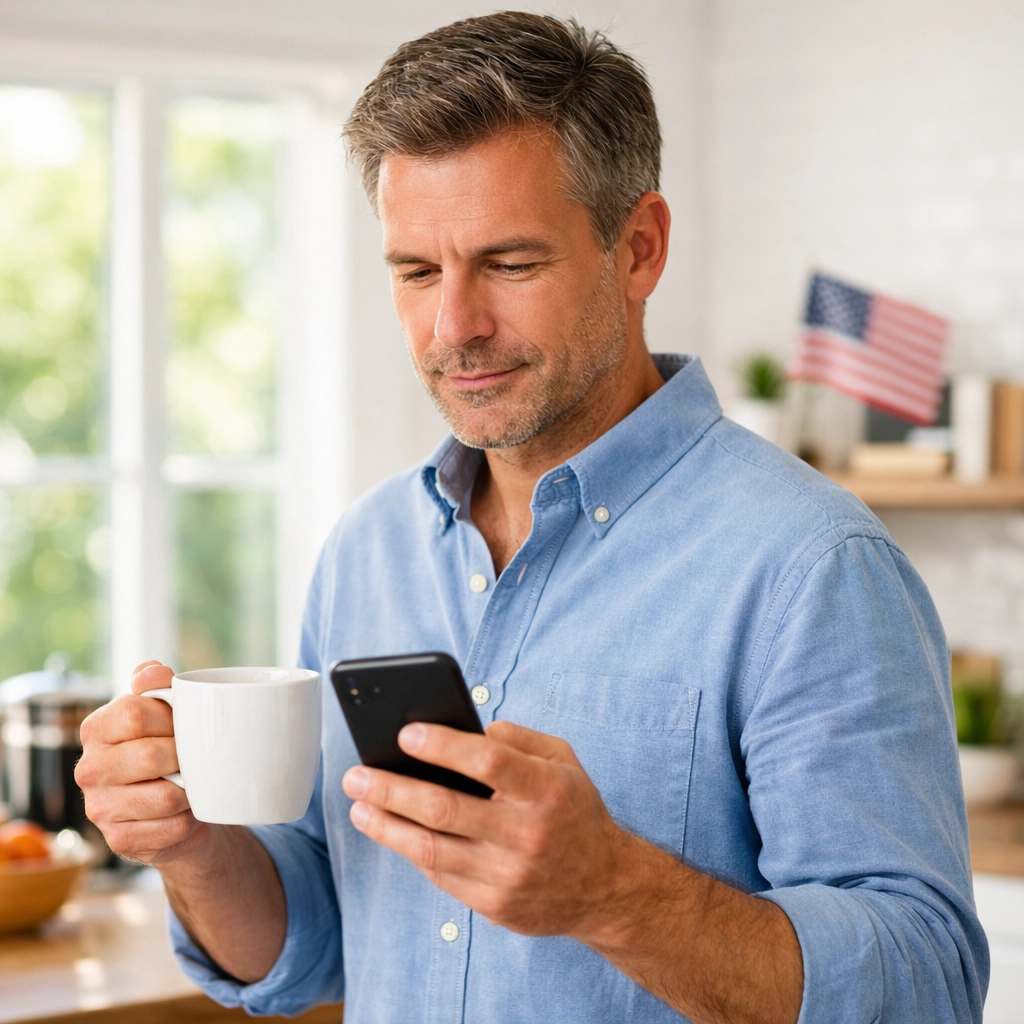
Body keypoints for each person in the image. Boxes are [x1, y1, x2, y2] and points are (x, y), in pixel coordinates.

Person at [76, 12, 987, 1024]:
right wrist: (188, 844)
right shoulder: (366, 553)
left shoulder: (812, 564)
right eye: (416, 271)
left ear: (638, 248)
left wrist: (614, 893)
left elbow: (928, 984)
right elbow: (320, 942)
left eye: (509, 264)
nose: (452, 326)